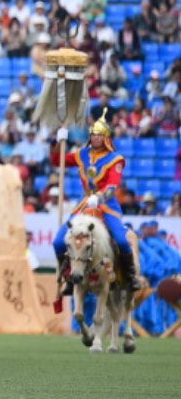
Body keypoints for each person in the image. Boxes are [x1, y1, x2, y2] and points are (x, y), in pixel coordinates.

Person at [51, 110, 144, 289]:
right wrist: (57, 141)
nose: (95, 138)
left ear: (106, 138)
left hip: (106, 205)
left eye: (99, 135)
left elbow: (112, 186)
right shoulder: (81, 154)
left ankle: (130, 276)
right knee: (58, 242)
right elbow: (58, 161)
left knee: (122, 241)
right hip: (84, 205)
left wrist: (99, 197)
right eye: (93, 134)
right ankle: (68, 275)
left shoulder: (115, 159)